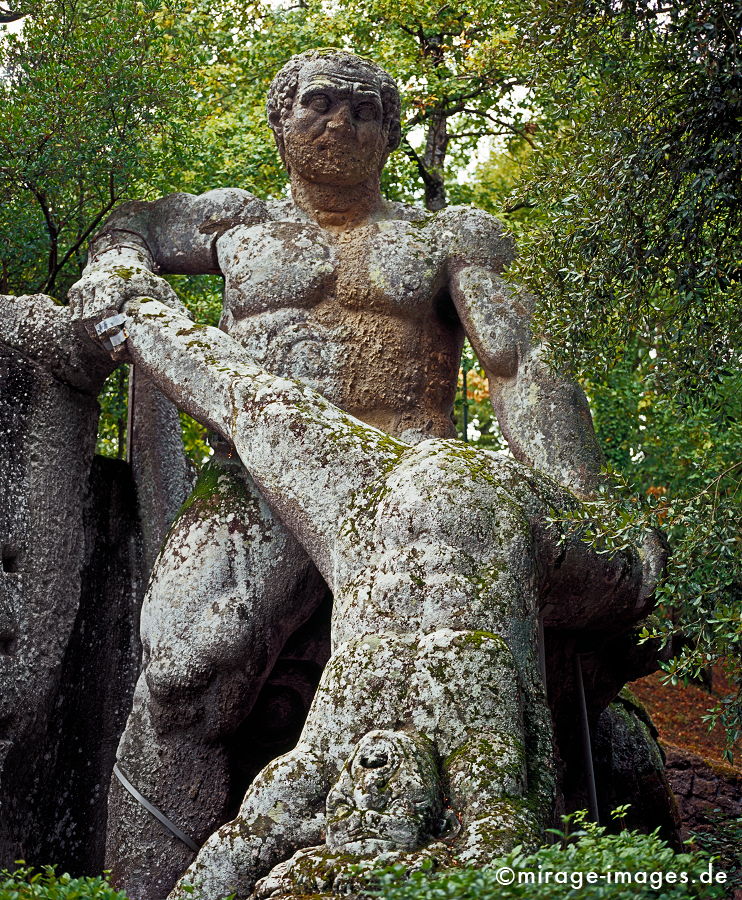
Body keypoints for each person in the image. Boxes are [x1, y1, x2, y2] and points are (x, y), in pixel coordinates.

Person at [70, 50, 608, 899]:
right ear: (281, 122)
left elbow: (519, 365)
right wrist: (118, 267)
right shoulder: (235, 224)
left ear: (391, 134)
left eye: (365, 111)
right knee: (180, 671)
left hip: (405, 494)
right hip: (254, 483)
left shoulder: (442, 237)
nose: (342, 123)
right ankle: (142, 886)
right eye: (319, 104)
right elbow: (131, 223)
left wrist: (581, 498)